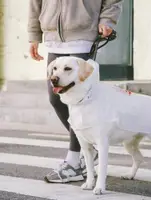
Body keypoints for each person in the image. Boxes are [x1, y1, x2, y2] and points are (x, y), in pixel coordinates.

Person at [28, 0, 123, 183]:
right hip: (53, 39)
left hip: (82, 37)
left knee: (79, 103)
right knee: (56, 98)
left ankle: (74, 162)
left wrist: (108, 19)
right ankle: (88, 150)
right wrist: (34, 34)